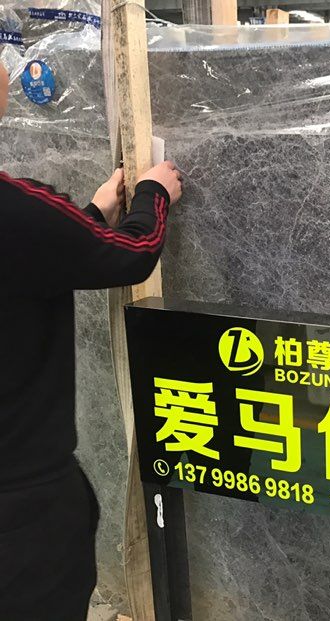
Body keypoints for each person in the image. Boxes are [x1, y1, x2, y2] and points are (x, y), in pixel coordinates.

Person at [0, 60, 182, 620]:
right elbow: (132, 255)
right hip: (21, 512)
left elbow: (31, 262)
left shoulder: (25, 223)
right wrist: (154, 193)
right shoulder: (18, 210)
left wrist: (93, 214)